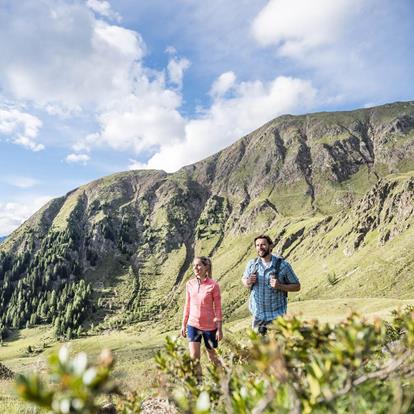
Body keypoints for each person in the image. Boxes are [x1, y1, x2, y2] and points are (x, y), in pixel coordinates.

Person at [242, 235, 300, 335]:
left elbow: (297, 286)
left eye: (263, 245)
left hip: (277, 318)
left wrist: (280, 286)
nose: (260, 247)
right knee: (258, 349)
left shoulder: (283, 265)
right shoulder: (251, 264)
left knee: (278, 349)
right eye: (257, 245)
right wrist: (248, 282)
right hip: (258, 317)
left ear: (271, 246)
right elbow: (243, 279)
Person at [181, 256, 223, 378]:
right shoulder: (189, 284)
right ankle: (199, 386)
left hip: (210, 327)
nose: (196, 268)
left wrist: (219, 329)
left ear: (206, 267)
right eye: (194, 265)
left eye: (199, 265)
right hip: (193, 325)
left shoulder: (214, 285)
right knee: (194, 358)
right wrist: (184, 324)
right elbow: (187, 305)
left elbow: (218, 308)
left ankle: (223, 381)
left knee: (212, 357)